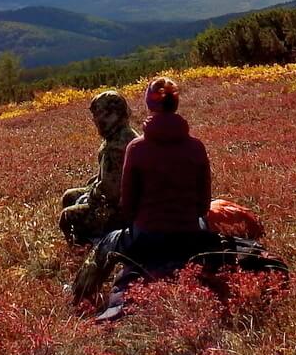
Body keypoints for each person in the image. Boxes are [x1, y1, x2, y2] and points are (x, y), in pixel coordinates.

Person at [70, 77, 215, 314]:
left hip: (147, 234)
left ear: (149, 105)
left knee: (105, 246)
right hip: (190, 233)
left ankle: (79, 299)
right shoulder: (196, 147)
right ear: (176, 104)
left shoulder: (137, 149)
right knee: (205, 225)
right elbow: (203, 204)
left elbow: (128, 205)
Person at [59, 90, 139, 244]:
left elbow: (111, 193)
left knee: (67, 216)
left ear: (112, 115)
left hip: (117, 212)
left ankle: (87, 247)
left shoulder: (115, 147)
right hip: (121, 205)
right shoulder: (125, 135)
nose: (95, 120)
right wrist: (94, 185)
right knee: (70, 196)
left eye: (98, 114)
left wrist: (90, 196)